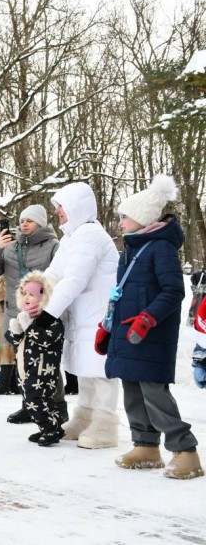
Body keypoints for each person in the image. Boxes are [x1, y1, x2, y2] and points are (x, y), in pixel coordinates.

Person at [100, 176, 202, 479]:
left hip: (151, 334)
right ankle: (145, 444)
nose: (119, 222)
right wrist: (108, 324)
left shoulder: (161, 249)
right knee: (131, 389)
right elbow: (124, 292)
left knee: (154, 392)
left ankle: (186, 452)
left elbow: (173, 291)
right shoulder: (130, 250)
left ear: (143, 218)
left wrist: (147, 318)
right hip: (128, 333)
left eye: (124, 216)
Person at [37, 182, 120, 449]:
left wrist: (49, 313)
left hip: (97, 313)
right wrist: (35, 292)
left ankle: (105, 426)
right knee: (84, 369)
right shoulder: (71, 237)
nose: (58, 211)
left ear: (76, 206)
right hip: (81, 315)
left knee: (101, 372)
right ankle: (84, 418)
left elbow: (74, 279)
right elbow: (55, 272)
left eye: (61, 205)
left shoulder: (91, 236)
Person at [0, 205, 61, 411]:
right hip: (15, 312)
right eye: (22, 220)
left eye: (30, 220)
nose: (24, 224)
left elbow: (61, 278)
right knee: (21, 362)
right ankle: (28, 406)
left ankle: (52, 407)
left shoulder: (54, 245)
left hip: (42, 314)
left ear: (41, 223)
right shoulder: (10, 246)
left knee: (45, 364)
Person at [6, 272, 65, 446]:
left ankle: (50, 428)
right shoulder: (27, 317)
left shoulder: (50, 321)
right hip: (26, 369)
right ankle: (50, 427)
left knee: (38, 399)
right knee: (30, 400)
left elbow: (44, 340)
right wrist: (16, 331)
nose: (26, 298)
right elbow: (16, 341)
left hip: (43, 370)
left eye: (32, 294)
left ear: (43, 297)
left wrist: (28, 326)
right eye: (24, 294)